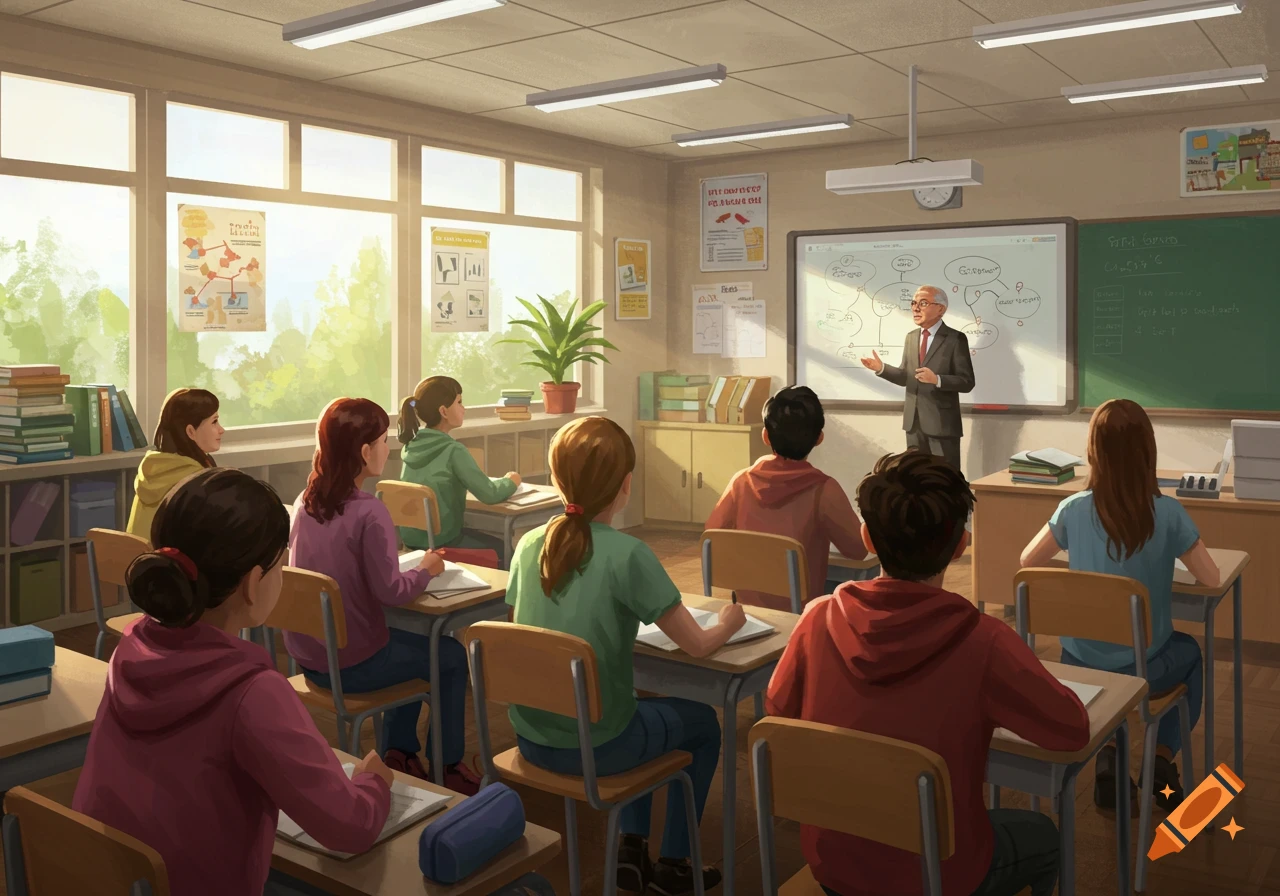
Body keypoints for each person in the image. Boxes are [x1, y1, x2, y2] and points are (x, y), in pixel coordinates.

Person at [768, 450, 1091, 896]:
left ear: (867, 536)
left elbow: (776, 713)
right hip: (939, 876)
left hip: (834, 867)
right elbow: (1071, 730)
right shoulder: (987, 642)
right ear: (961, 544)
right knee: (1042, 836)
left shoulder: (816, 619)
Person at [73, 468, 394, 896]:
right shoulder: (250, 691)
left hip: (112, 880)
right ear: (253, 583)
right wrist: (374, 781)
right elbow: (350, 828)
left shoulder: (130, 648)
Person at [506, 416, 745, 896]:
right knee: (701, 723)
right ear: (626, 485)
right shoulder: (629, 554)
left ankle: (631, 851)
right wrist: (728, 622)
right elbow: (696, 645)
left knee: (638, 699)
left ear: (556, 479)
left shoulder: (528, 544)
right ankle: (676, 861)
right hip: (598, 747)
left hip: (530, 737)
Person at [1020, 398, 1218, 812]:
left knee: (1123, 656)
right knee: (1192, 654)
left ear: (1094, 451)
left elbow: (1028, 562)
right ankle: (1161, 760)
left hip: (1077, 662)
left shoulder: (1071, 509)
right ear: (1148, 452)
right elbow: (1212, 578)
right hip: (1142, 668)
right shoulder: (1167, 512)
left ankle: (1110, 757)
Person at [285, 398, 480, 795]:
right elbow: (390, 591)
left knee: (408, 647)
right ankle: (447, 764)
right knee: (450, 655)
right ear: (363, 452)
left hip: (311, 658)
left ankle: (399, 751)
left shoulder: (305, 504)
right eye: (382, 440)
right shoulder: (369, 511)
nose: (388, 448)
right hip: (354, 663)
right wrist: (425, 569)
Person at [705, 385, 867, 609]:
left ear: (765, 435)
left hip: (746, 613)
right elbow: (858, 551)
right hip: (800, 615)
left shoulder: (740, 481)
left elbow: (712, 543)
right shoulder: (824, 489)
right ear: (819, 438)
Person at [396, 376, 519, 556]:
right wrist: (511, 481)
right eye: (459, 402)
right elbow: (490, 494)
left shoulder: (410, 446)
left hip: (412, 543)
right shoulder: (453, 450)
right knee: (505, 550)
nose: (464, 408)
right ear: (444, 411)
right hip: (443, 542)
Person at [859, 285, 975, 471]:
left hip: (942, 426)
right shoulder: (911, 337)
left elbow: (967, 381)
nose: (915, 308)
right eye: (913, 303)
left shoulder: (955, 339)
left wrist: (937, 379)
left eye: (923, 303)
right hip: (913, 424)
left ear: (941, 309)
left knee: (945, 480)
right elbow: (906, 377)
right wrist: (881, 369)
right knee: (915, 478)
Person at [126, 387, 223, 539]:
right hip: (172, 562)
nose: (221, 430)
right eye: (214, 422)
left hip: (140, 561)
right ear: (191, 431)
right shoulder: (195, 479)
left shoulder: (153, 467)